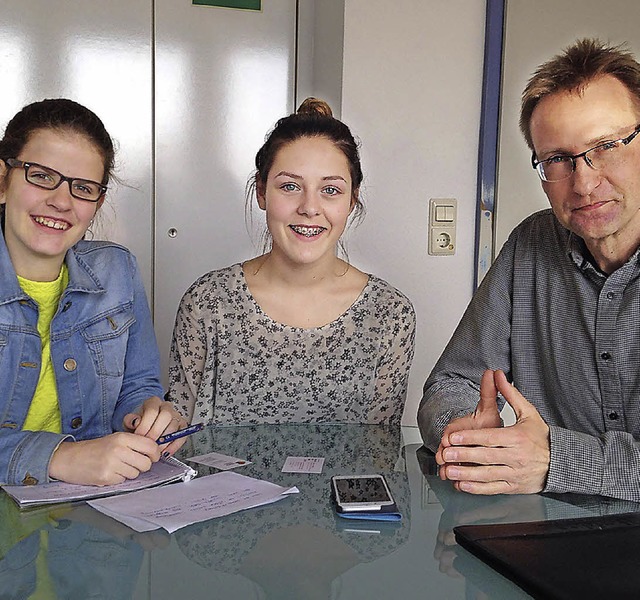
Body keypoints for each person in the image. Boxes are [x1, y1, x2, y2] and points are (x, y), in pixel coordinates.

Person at [418, 38, 640, 502]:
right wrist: (473, 437)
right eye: (558, 159)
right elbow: (451, 383)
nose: (584, 181)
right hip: (549, 537)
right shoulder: (532, 244)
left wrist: (555, 460)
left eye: (608, 146)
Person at [168, 98, 415, 426]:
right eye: (289, 186)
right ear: (261, 192)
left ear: (352, 201)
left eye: (330, 190)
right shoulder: (208, 303)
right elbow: (180, 435)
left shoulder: (389, 314)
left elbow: (378, 451)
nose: (310, 208)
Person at [0, 98, 188, 487]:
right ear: (3, 182)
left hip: (93, 526)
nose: (62, 201)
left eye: (82, 188)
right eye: (42, 176)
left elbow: (139, 386)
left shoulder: (117, 270)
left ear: (97, 202)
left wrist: (146, 414)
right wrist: (59, 457)